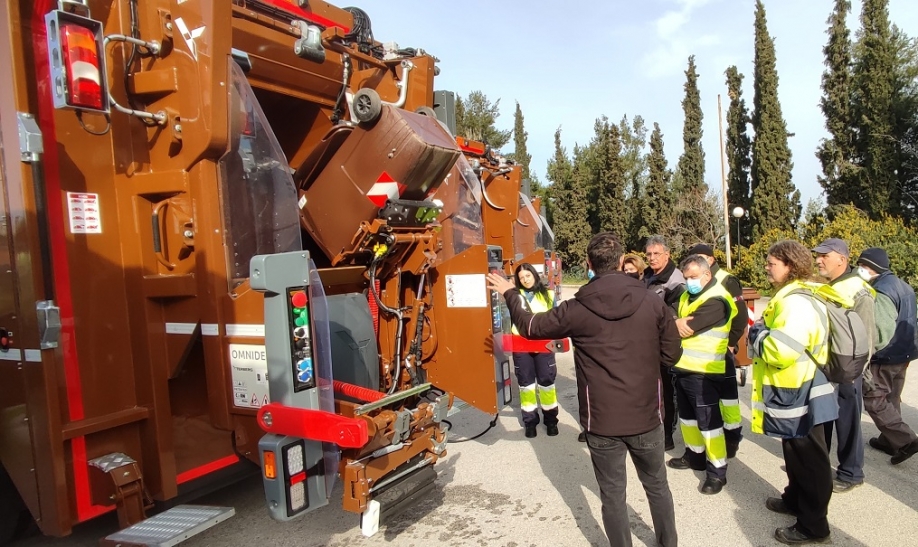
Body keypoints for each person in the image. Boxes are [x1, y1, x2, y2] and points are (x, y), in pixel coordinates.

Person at [487, 232, 681, 547]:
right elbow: (672, 354)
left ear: (589, 264)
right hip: (646, 415)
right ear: (621, 262)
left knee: (612, 495)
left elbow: (531, 327)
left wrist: (511, 293)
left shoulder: (578, 307)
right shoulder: (652, 302)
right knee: (657, 486)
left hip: (602, 421)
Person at [748, 240, 838, 545]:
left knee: (810, 459)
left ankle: (814, 526)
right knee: (795, 452)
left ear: (790, 266)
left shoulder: (796, 302)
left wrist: (756, 333)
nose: (767, 267)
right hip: (795, 387)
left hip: (801, 388)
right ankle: (794, 500)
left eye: (772, 263)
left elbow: (781, 351)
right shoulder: (793, 296)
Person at [666, 255, 737, 495]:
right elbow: (669, 313)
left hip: (705, 371)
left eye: (693, 277)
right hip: (684, 367)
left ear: (707, 275)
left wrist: (674, 325)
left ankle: (717, 472)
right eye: (686, 278)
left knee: (709, 425)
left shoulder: (717, 299)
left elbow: (690, 327)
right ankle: (694, 456)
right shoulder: (687, 294)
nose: (689, 282)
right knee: (688, 420)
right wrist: (675, 321)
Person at [813, 238, 876, 493]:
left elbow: (867, 334)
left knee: (848, 422)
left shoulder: (858, 290)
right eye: (817, 255)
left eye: (824, 256)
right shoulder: (831, 286)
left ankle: (851, 473)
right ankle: (818, 467)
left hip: (847, 369)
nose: (818, 259)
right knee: (823, 419)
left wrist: (858, 370)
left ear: (842, 258)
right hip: (828, 366)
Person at [855, 247, 918, 465]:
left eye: (861, 265)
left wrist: (868, 354)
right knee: (892, 396)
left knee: (875, 399)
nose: (858, 269)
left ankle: (906, 440)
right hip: (904, 352)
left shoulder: (881, 290)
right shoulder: (903, 285)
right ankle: (889, 440)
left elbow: (880, 332)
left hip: (887, 355)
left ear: (869, 266)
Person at [686, 243, 749, 459]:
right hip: (700, 356)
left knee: (728, 401)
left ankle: (732, 438)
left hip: (723, 351)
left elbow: (740, 317)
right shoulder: (691, 280)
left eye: (701, 256)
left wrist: (731, 343)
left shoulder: (726, 280)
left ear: (711, 259)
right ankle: (701, 448)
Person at [644, 235, 686, 451]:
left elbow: (674, 314)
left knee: (667, 393)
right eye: (649, 254)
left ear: (667, 255)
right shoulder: (648, 276)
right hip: (647, 343)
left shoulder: (676, 280)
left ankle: (667, 435)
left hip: (664, 345)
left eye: (656, 254)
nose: (652, 258)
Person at [509, 263, 559, 438]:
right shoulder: (515, 296)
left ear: (534, 275)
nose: (525, 280)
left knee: (547, 382)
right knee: (526, 384)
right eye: (521, 278)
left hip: (543, 345)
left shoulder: (549, 295)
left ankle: (551, 420)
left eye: (527, 276)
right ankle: (530, 422)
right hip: (521, 346)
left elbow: (556, 320)